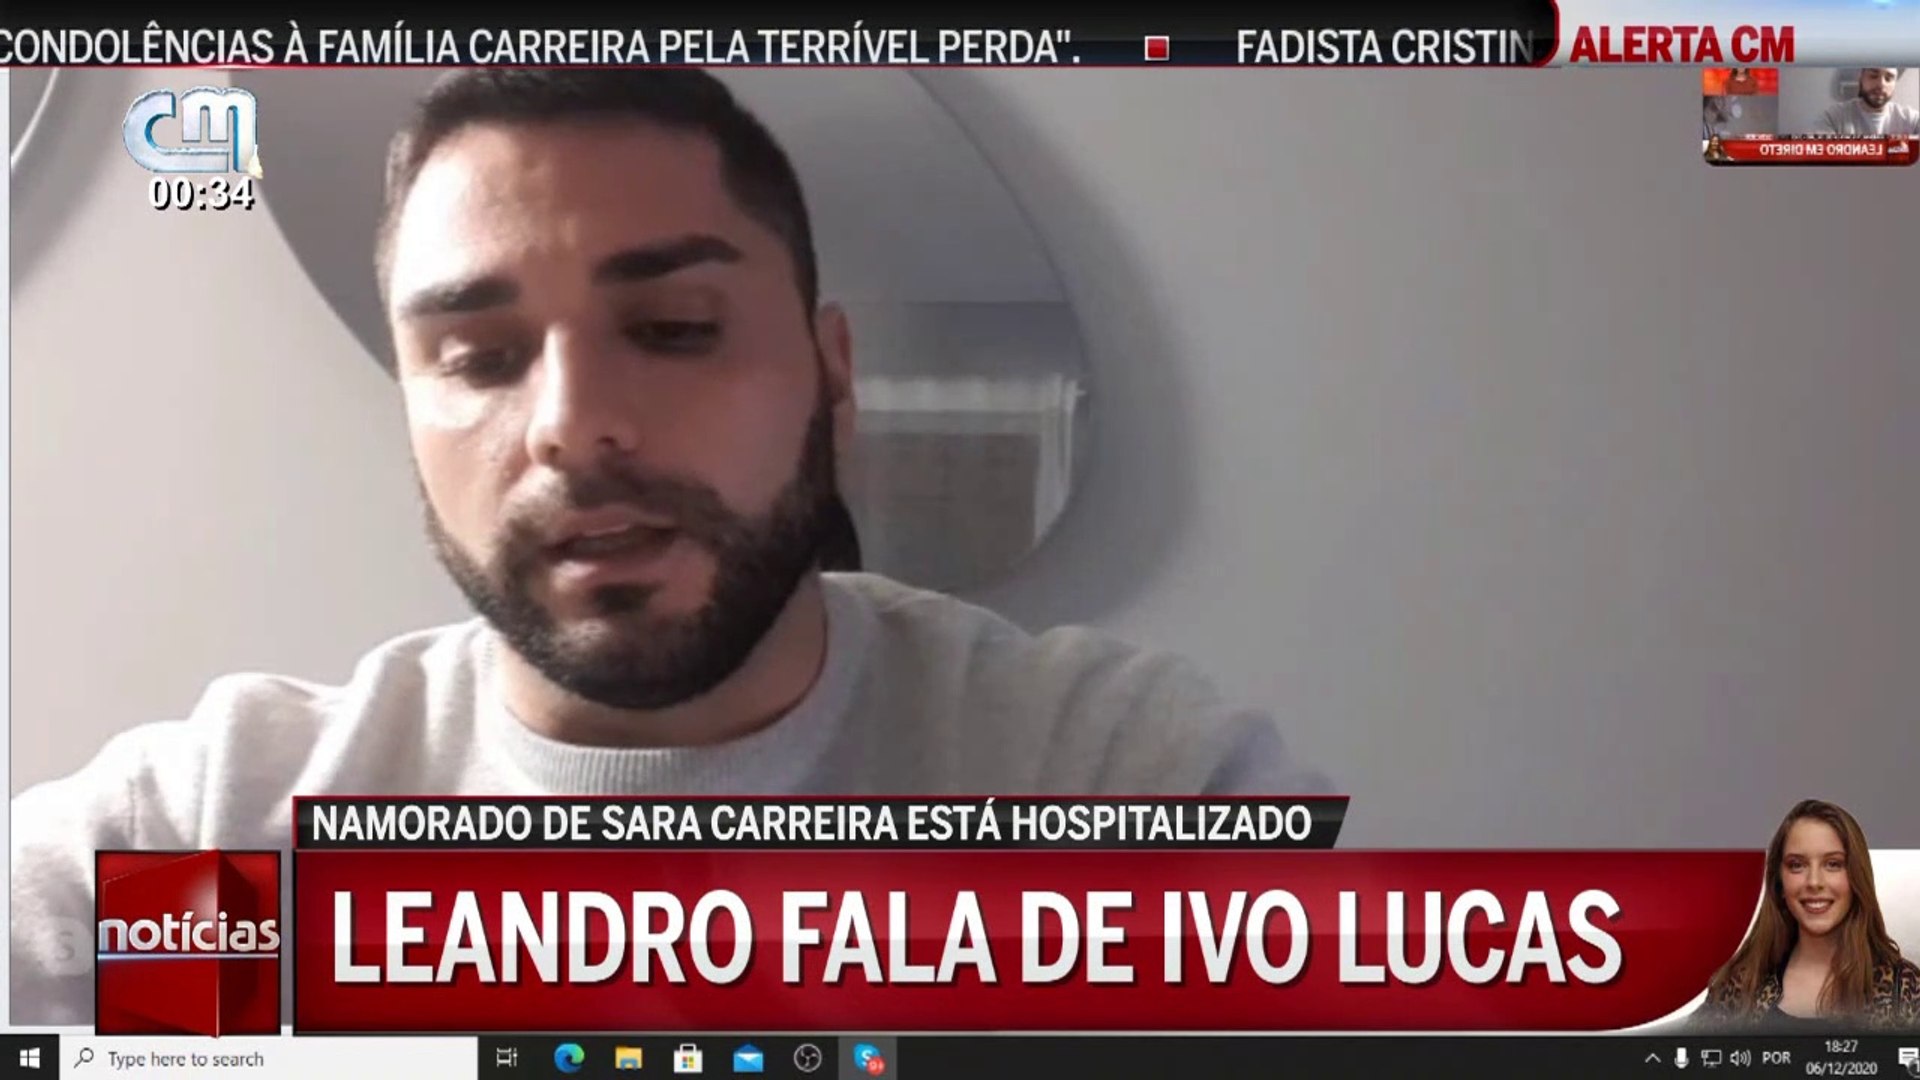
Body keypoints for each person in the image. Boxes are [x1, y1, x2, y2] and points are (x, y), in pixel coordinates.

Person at [8, 69, 1332, 1022]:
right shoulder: (227, 834)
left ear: (831, 375)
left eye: (675, 330)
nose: (572, 426)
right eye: (478, 357)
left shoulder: (1098, 793)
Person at [1699, 799, 1920, 1031]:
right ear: (1779, 883)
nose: (1814, 882)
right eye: (1797, 865)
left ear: (1856, 876)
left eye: (1833, 864)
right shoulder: (1738, 987)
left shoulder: (1907, 989)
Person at [1816, 68, 1920, 137]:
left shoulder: (1912, 120)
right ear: (1861, 78)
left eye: (1888, 78)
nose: (1881, 84)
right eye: (1873, 76)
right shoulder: (1833, 118)